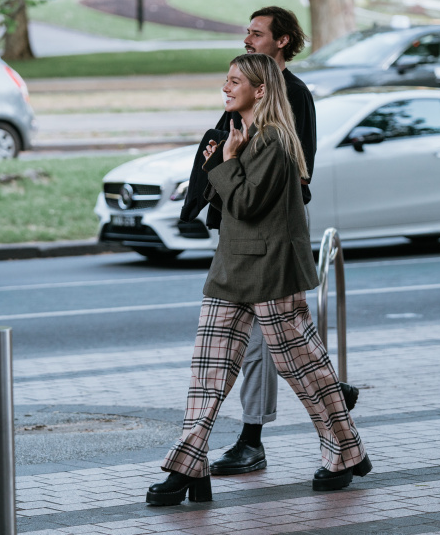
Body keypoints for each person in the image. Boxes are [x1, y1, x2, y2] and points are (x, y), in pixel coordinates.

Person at [147, 53, 372, 506]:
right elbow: (228, 202)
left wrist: (225, 163)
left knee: (304, 369)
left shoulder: (275, 141)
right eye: (226, 80)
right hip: (231, 266)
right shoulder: (240, 134)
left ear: (261, 90)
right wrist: (219, 161)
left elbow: (248, 204)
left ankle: (346, 452)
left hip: (271, 269)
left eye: (235, 81)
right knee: (207, 372)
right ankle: (189, 464)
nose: (226, 88)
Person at [179, 6, 359, 476]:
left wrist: (229, 170)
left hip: (268, 242)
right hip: (238, 243)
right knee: (221, 359)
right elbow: (231, 157)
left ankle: (270, 436)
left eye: (257, 33)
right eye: (247, 32)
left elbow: (287, 175)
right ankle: (191, 458)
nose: (248, 38)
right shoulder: (245, 95)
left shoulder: (289, 101)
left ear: (281, 41)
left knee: (285, 353)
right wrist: (218, 171)